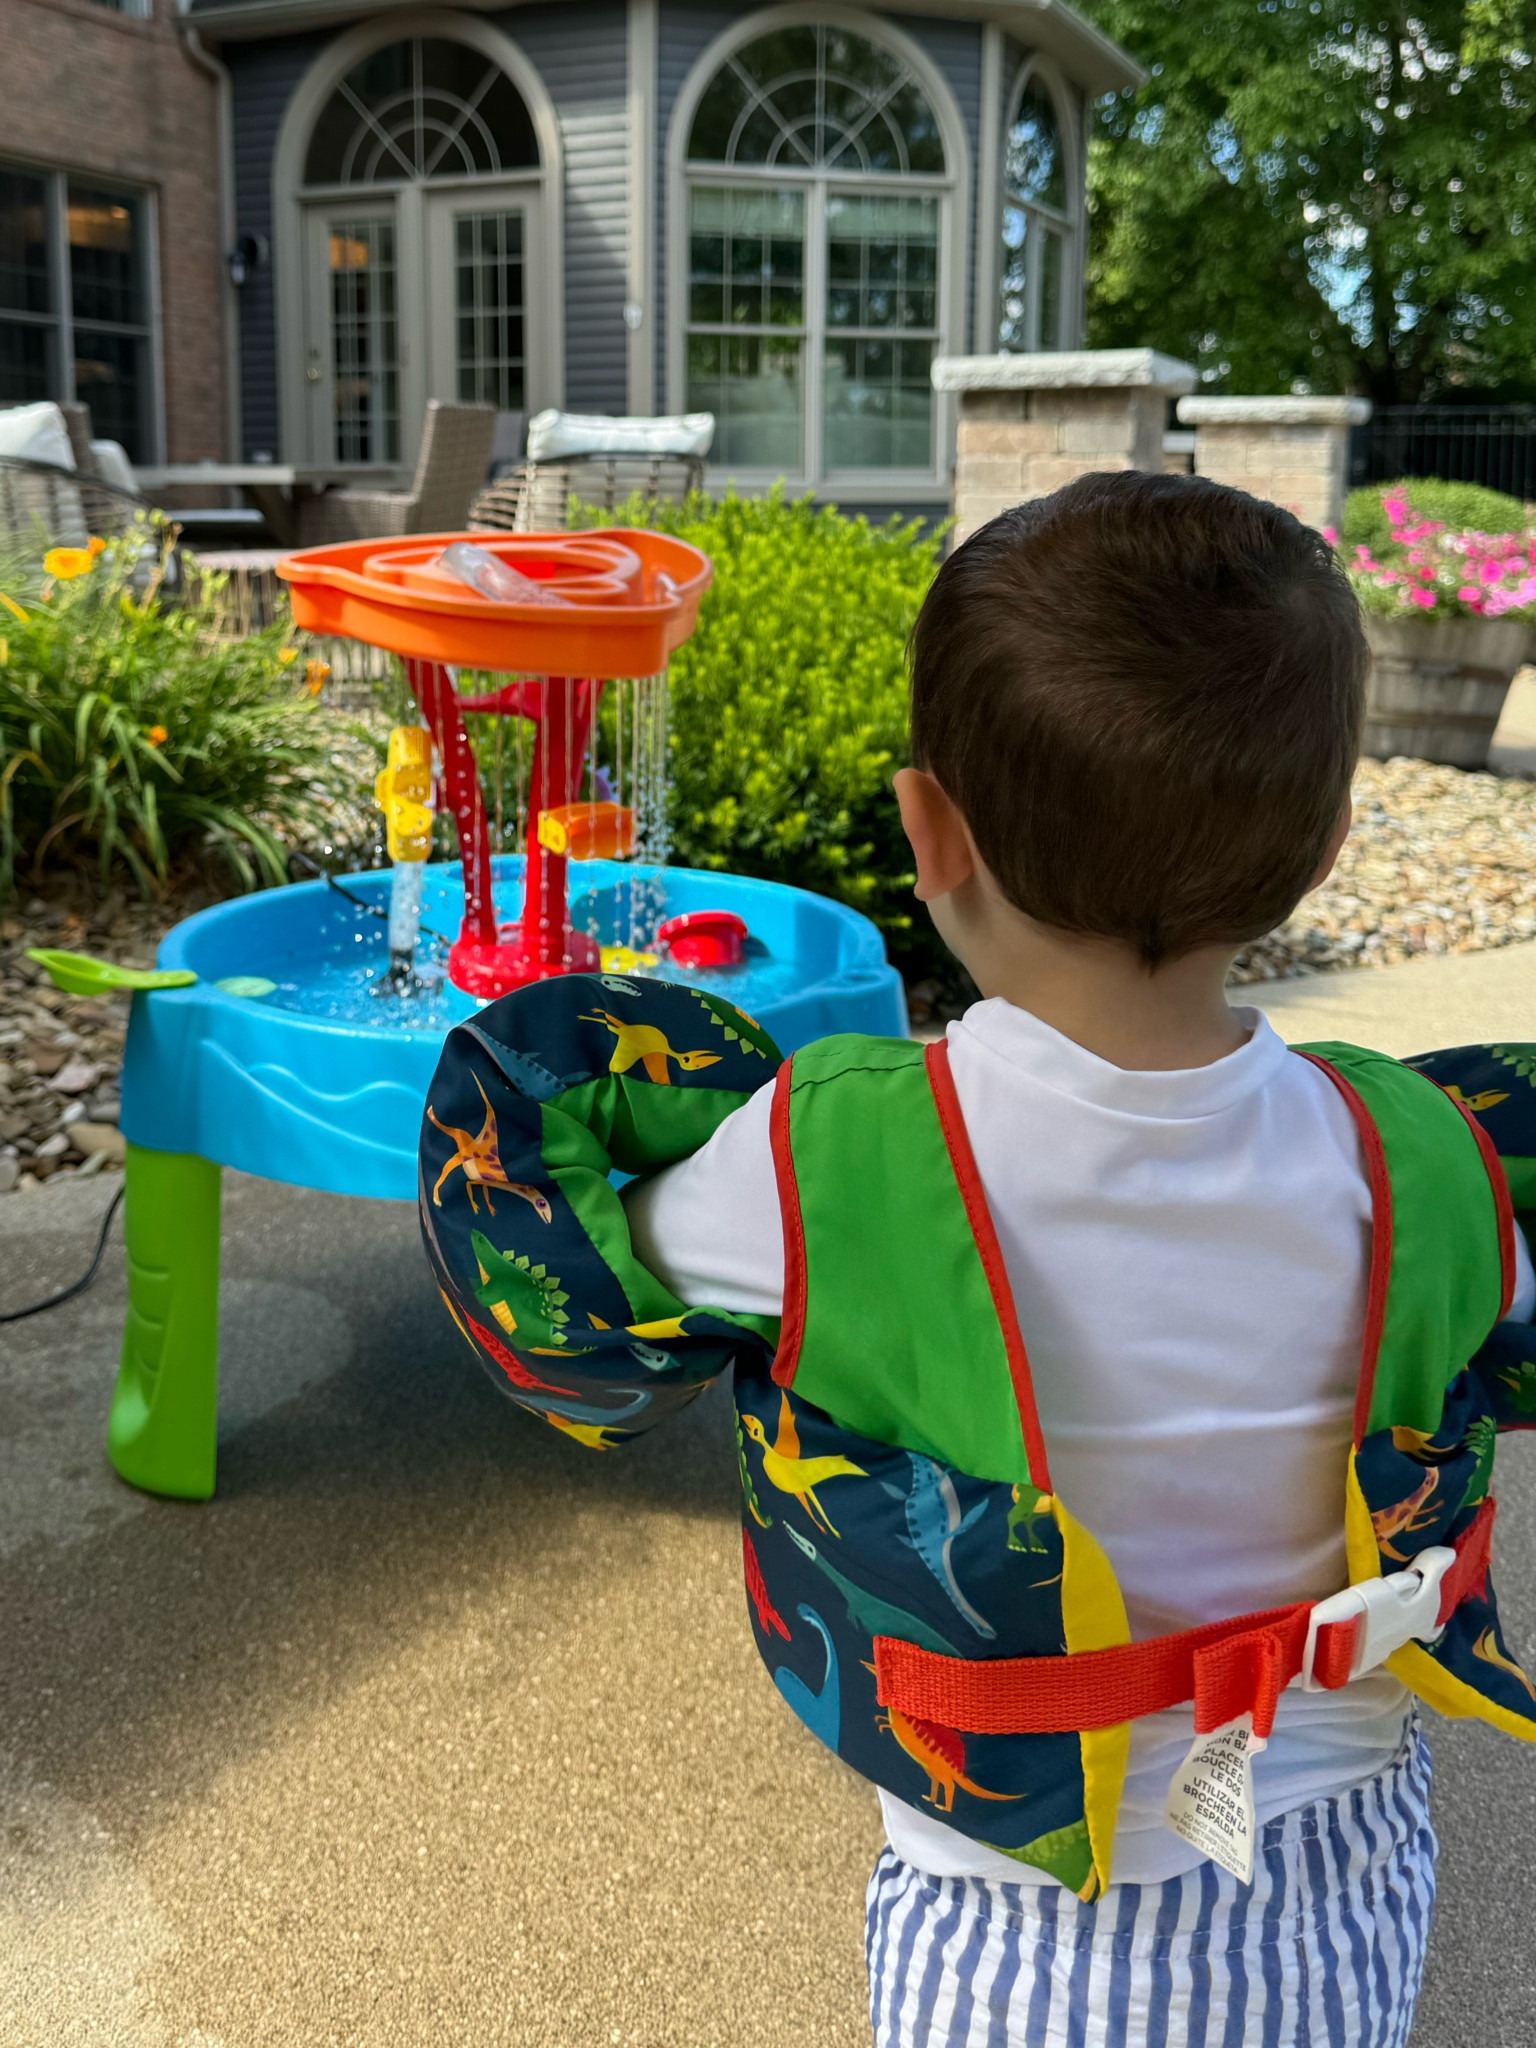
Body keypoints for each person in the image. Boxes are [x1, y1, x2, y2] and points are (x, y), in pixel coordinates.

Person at [419, 472, 1536, 2048]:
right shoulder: (1428, 1158)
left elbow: (611, 1298)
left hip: (1008, 1903)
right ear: (1330, 841)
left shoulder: (824, 1156)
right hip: (1338, 1874)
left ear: (928, 829)